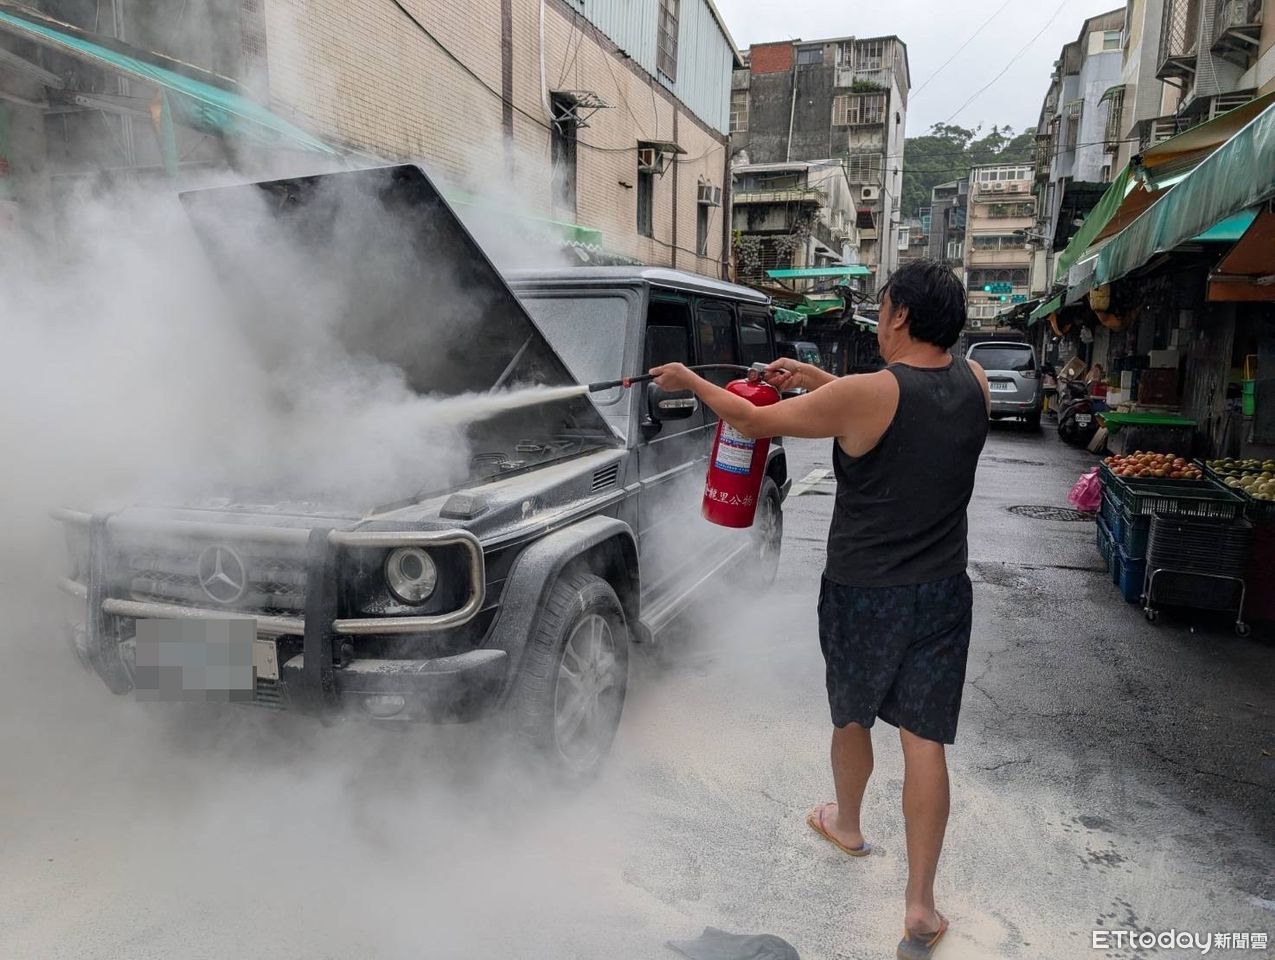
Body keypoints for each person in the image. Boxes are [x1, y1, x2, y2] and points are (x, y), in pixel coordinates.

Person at [650, 260, 990, 960]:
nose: (881, 313)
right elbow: (894, 406)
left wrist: (685, 379)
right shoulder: (975, 382)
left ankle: (847, 825)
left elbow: (748, 417)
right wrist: (815, 382)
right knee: (924, 742)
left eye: (885, 303)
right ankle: (920, 908)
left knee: (851, 715)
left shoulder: (869, 392)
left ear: (897, 315)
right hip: (942, 590)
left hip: (864, 591)